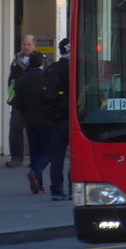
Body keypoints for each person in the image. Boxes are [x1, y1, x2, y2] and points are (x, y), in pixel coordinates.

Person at [16, 51, 49, 195]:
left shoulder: (23, 79)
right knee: (49, 150)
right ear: (42, 63)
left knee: (34, 152)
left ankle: (38, 186)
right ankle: (35, 172)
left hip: (29, 119)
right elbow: (49, 98)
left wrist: (24, 116)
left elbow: (18, 102)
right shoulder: (45, 77)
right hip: (44, 119)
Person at [43, 38, 71, 201]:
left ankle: (56, 190)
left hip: (55, 119)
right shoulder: (75, 69)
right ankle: (73, 188)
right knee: (75, 157)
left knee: (57, 158)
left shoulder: (51, 69)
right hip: (70, 118)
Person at [5, 34, 37, 167]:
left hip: (34, 101)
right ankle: (16, 158)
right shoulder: (16, 59)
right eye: (24, 44)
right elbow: (11, 78)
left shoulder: (40, 59)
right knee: (15, 128)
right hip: (18, 100)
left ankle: (36, 159)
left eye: (29, 44)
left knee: (34, 130)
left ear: (34, 45)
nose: (26, 47)